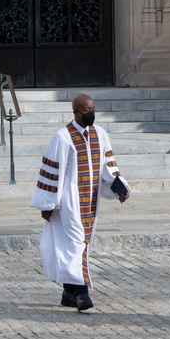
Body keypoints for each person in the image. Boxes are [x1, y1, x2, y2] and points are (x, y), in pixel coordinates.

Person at [31, 93, 131, 312]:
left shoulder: (100, 134)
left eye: (93, 108)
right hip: (68, 200)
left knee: (82, 243)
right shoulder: (62, 137)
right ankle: (82, 293)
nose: (91, 113)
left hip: (91, 200)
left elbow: (108, 166)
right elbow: (51, 172)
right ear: (75, 111)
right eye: (87, 110)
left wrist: (119, 188)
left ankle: (69, 292)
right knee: (76, 242)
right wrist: (47, 205)